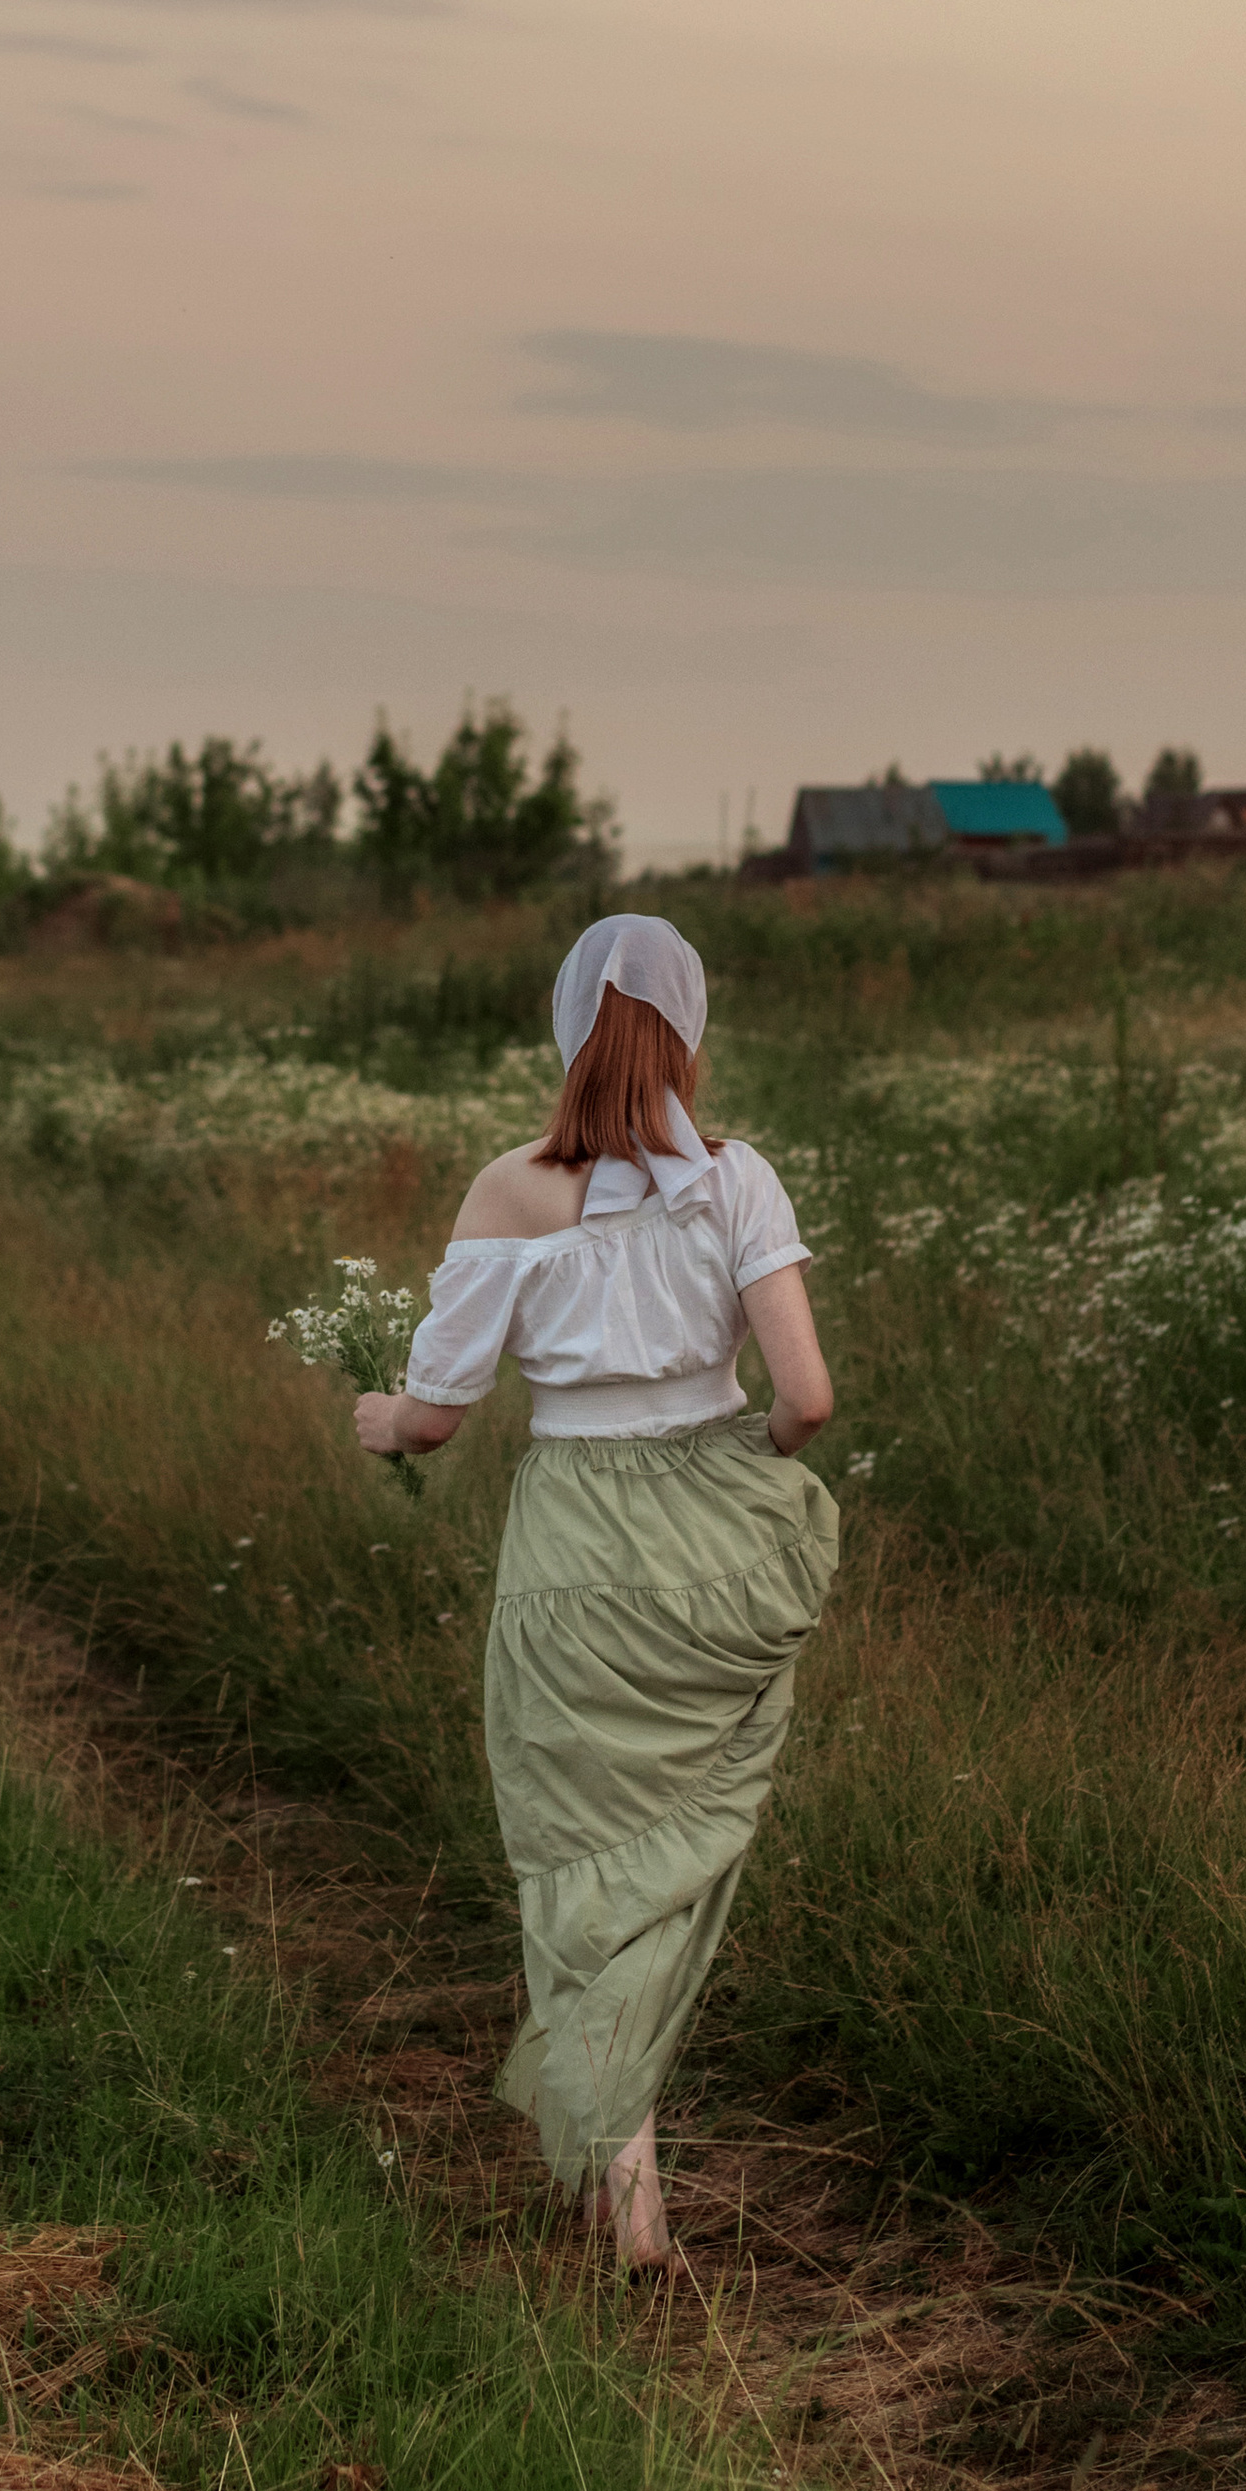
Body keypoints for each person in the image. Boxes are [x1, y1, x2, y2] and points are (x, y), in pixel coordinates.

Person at [352, 913, 838, 2274]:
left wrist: (381, 1419)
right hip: (712, 1531)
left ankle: (630, 2202)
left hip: (576, 1546)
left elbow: (441, 1418)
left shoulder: (508, 1190)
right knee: (676, 1852)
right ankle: (623, 2176)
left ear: (566, 1032)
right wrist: (743, 1470)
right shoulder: (740, 1183)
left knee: (576, 1853)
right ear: (691, 1036)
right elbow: (806, 1398)